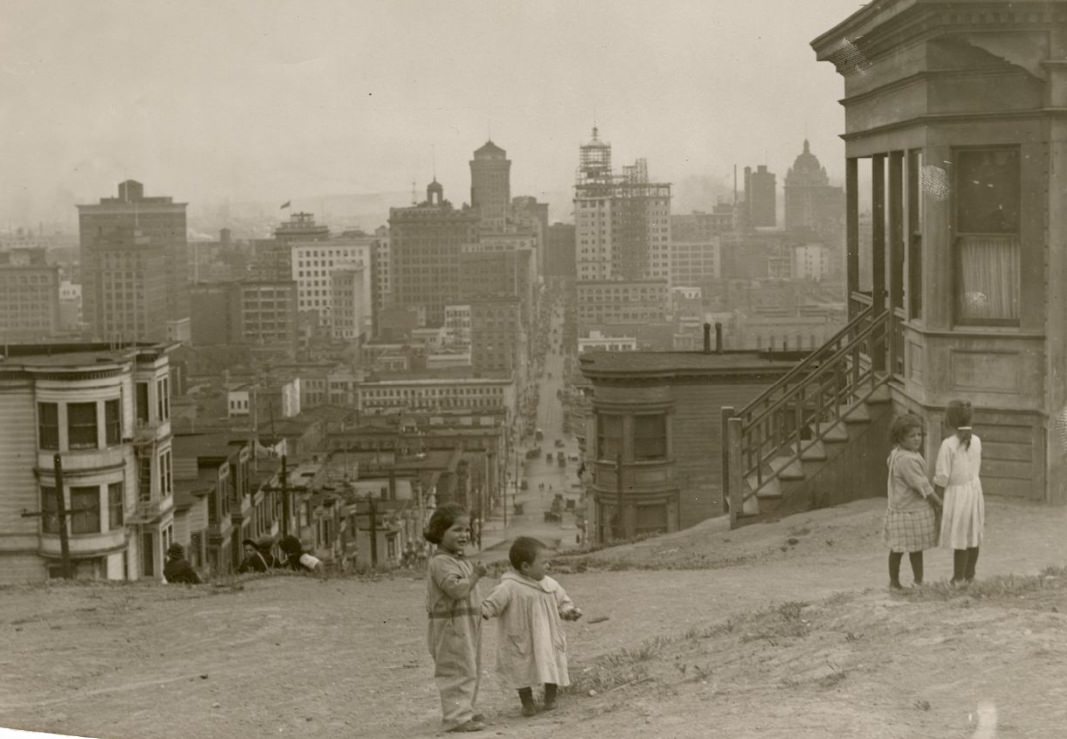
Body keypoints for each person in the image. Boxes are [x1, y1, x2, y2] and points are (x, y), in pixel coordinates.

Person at [481, 537, 582, 717]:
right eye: (543, 563)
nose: (548, 566)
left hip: (548, 635)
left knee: (551, 662)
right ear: (526, 566)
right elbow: (493, 604)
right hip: (522, 636)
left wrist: (569, 611)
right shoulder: (509, 586)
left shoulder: (550, 585)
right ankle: (527, 702)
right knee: (521, 666)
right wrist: (484, 610)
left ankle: (550, 698)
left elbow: (563, 602)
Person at [424, 503, 487, 733]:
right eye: (457, 530)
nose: (464, 535)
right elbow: (458, 590)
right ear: (440, 532)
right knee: (456, 669)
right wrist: (476, 576)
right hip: (451, 626)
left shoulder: (459, 560)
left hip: (466, 623)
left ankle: (465, 709)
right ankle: (456, 717)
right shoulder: (440, 562)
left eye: (467, 530)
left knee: (470, 667)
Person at [883, 414, 941, 589]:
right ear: (900, 438)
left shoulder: (897, 454)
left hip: (901, 508)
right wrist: (938, 502)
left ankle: (907, 581)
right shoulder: (908, 459)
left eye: (919, 435)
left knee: (904, 548)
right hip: (909, 512)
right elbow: (922, 485)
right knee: (906, 549)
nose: (917, 439)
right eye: (912, 436)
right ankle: (905, 581)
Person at [935, 400, 985, 585]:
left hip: (958, 495)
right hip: (974, 492)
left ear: (948, 421)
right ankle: (969, 575)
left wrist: (936, 500)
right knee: (973, 533)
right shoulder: (977, 441)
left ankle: (958, 577)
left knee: (961, 535)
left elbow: (942, 476)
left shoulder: (948, 445)